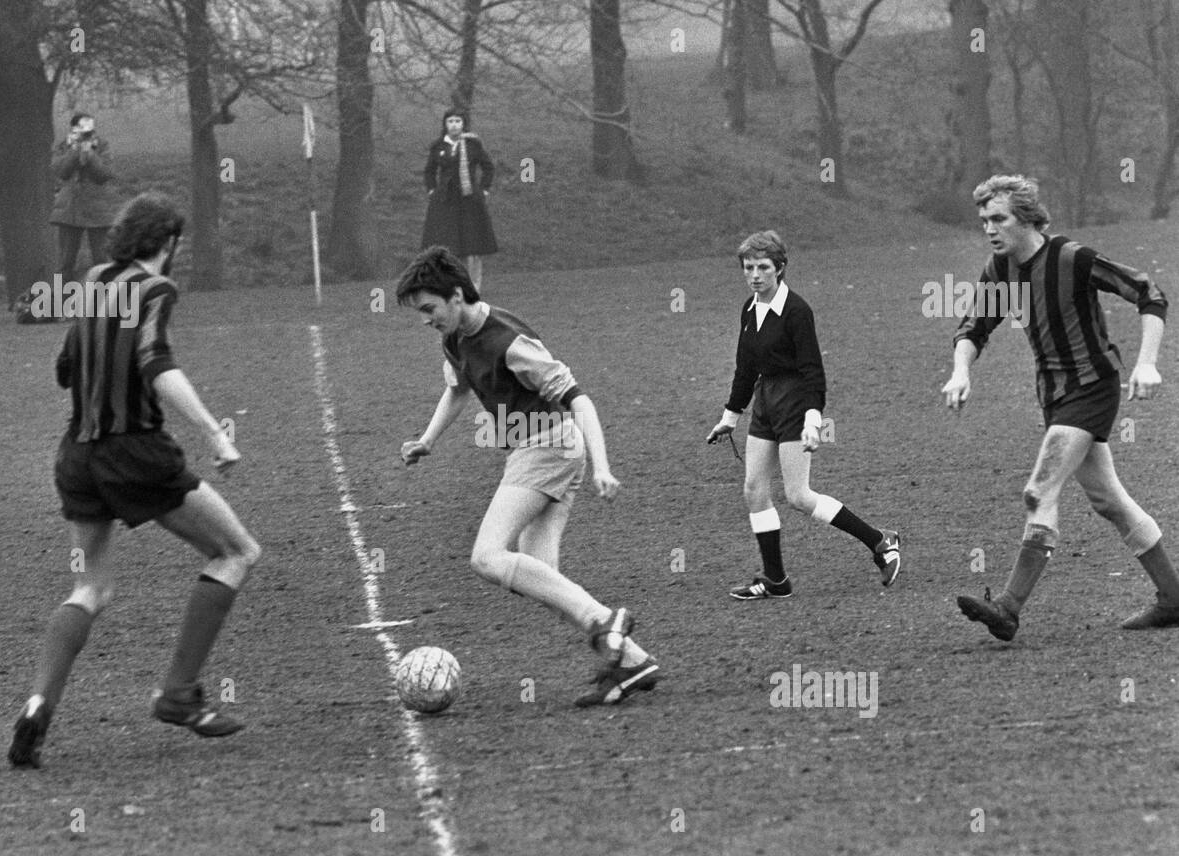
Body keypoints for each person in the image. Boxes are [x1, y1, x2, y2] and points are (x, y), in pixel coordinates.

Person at [8, 192, 261, 769]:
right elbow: (157, 363)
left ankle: (36, 706)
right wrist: (215, 434)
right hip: (137, 455)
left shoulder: (95, 278)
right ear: (167, 244)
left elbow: (63, 369)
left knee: (91, 587)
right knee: (237, 551)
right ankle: (177, 694)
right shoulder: (156, 289)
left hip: (77, 457)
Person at [396, 245, 661, 707]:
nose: (425, 319)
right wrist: (427, 440)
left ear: (456, 296)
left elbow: (581, 400)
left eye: (429, 308)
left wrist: (603, 466)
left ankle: (607, 621)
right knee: (545, 579)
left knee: (485, 557)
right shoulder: (455, 338)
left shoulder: (511, 342)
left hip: (550, 447)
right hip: (535, 448)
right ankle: (633, 662)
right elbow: (457, 389)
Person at [946, 174, 1179, 640]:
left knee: (1039, 490)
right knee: (1108, 501)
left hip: (1092, 388)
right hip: (1054, 397)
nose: (989, 229)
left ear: (1026, 217)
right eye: (983, 221)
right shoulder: (999, 271)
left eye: (998, 219)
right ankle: (1173, 598)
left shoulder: (1072, 258)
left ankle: (1008, 607)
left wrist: (1147, 363)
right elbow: (973, 328)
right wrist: (960, 371)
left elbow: (1149, 294)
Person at [706, 230, 901, 600]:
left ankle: (880, 542)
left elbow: (813, 371)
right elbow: (745, 368)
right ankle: (776, 580)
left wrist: (814, 418)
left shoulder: (797, 311)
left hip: (795, 400)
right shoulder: (749, 309)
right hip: (765, 400)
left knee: (798, 495)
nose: (755, 275)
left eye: (763, 267)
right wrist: (730, 416)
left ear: (780, 268)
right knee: (754, 490)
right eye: (748, 268)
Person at [421, 109, 497, 291]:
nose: (454, 125)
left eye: (457, 121)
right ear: (445, 124)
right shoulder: (438, 146)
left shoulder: (473, 145)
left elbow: (488, 167)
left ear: (463, 124)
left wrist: (484, 189)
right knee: (447, 245)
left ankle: (473, 287)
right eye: (450, 121)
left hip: (470, 201)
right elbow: (429, 171)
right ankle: (451, 285)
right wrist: (432, 190)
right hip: (445, 202)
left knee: (472, 246)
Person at [51, 113, 118, 286]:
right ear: (73, 128)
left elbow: (105, 174)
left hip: (97, 208)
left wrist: (91, 155)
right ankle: (61, 301)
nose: (87, 132)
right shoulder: (63, 146)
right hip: (69, 208)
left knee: (102, 259)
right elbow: (61, 172)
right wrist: (74, 152)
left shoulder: (103, 146)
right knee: (65, 262)